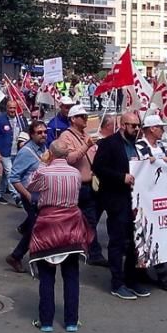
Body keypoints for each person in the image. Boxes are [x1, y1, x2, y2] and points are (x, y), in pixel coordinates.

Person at [27, 139, 93, 333]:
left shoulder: (44, 172)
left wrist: (44, 164)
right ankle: (71, 321)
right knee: (71, 275)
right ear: (66, 155)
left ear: (51, 153)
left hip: (48, 225)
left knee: (47, 276)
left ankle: (46, 321)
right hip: (71, 225)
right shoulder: (75, 173)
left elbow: (31, 187)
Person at [93, 112, 153, 299]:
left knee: (134, 242)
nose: (136, 129)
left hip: (136, 201)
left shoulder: (139, 145)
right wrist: (121, 177)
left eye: (138, 126)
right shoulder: (109, 144)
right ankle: (117, 282)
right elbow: (99, 168)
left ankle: (132, 279)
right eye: (133, 126)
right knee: (117, 242)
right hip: (117, 200)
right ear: (122, 125)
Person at [135, 114, 167, 291]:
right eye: (160, 127)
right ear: (152, 129)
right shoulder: (140, 146)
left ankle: (150, 271)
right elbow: (141, 166)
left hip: (161, 195)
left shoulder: (161, 146)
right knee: (148, 235)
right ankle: (161, 274)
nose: (163, 130)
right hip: (146, 197)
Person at [57, 104, 107, 266]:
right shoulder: (66, 136)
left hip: (89, 184)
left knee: (87, 219)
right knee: (84, 219)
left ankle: (82, 247)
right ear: (73, 119)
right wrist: (87, 146)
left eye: (86, 116)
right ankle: (93, 252)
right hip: (77, 186)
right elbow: (69, 158)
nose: (86, 119)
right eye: (82, 116)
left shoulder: (84, 134)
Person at [5, 124, 49, 273]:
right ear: (31, 135)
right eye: (39, 132)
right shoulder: (26, 152)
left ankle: (20, 256)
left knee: (35, 227)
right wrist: (28, 196)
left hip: (42, 195)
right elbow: (14, 178)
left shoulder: (43, 148)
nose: (43, 135)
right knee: (36, 228)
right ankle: (23, 257)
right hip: (31, 196)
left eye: (45, 132)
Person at [0, 100, 27, 206]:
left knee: (6, 175)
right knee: (10, 173)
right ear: (7, 108)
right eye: (10, 108)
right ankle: (17, 197)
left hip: (17, 153)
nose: (12, 110)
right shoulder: (0, 120)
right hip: (4, 152)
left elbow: (25, 133)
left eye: (14, 108)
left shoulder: (21, 120)